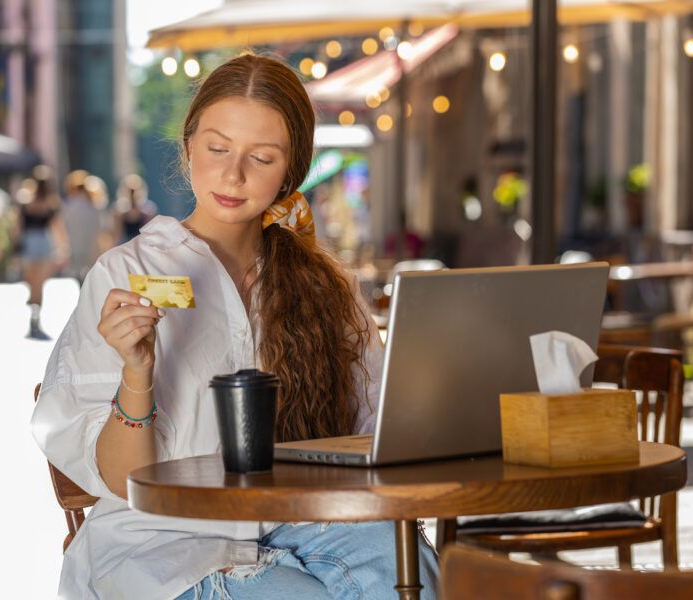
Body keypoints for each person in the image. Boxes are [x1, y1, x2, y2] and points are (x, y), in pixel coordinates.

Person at [31, 54, 438, 599]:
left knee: (413, 577)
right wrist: (136, 372)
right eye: (217, 148)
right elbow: (121, 483)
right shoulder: (128, 274)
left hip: (305, 520)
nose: (233, 175)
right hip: (164, 543)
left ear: (291, 171)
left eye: (261, 158)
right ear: (189, 144)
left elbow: (376, 435)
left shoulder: (325, 286)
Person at [14, 164, 69, 340]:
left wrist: (16, 246)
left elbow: (18, 227)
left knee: (31, 280)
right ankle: (36, 309)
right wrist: (63, 248)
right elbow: (58, 228)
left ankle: (33, 305)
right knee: (40, 282)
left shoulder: (25, 200)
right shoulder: (52, 203)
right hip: (45, 242)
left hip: (30, 241)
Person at [61, 169, 102, 284]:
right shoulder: (93, 204)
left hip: (74, 239)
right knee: (88, 266)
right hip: (90, 240)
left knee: (77, 267)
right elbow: (99, 224)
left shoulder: (69, 205)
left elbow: (65, 223)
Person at [113, 173, 157, 244]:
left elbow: (151, 235)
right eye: (130, 191)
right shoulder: (119, 212)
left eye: (134, 191)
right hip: (126, 246)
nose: (132, 194)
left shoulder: (148, 211)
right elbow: (117, 235)